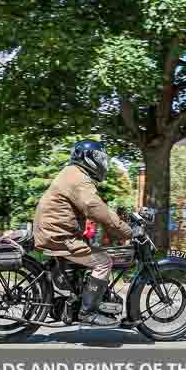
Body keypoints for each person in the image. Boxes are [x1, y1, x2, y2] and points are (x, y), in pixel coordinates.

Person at [32, 139, 132, 327]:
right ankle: (88, 312)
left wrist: (114, 224)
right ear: (88, 159)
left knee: (92, 251)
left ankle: (78, 298)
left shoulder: (73, 173)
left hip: (54, 232)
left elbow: (95, 208)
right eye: (100, 159)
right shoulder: (79, 178)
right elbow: (94, 207)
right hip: (58, 236)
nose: (103, 164)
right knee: (104, 261)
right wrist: (126, 230)